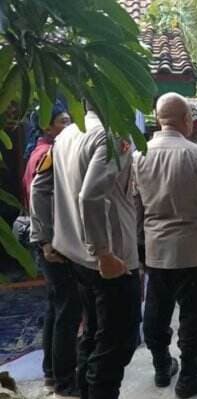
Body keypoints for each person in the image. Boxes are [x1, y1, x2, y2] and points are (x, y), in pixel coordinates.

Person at [30, 102, 141, 399]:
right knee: (118, 340)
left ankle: (86, 390)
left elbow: (39, 186)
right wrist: (103, 252)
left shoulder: (67, 134)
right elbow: (91, 196)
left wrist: (47, 237)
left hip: (76, 255)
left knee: (93, 332)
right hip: (110, 260)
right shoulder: (112, 135)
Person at [133, 93, 197, 398]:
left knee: (156, 309)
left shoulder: (140, 155)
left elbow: (135, 207)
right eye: (190, 118)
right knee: (193, 315)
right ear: (184, 120)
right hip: (192, 252)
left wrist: (138, 247)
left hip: (156, 251)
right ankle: (190, 375)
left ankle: (162, 366)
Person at [24, 104, 80, 398]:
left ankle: (51, 374)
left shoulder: (40, 150)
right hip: (54, 243)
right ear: (47, 127)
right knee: (68, 311)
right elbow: (38, 195)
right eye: (63, 121)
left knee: (56, 308)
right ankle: (64, 381)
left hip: (49, 240)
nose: (69, 125)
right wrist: (46, 241)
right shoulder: (49, 153)